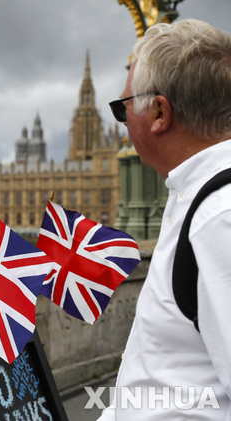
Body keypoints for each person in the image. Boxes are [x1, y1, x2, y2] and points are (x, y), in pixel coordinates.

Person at [99, 19, 231, 419]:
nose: (121, 125)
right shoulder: (193, 200)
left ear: (159, 112)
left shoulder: (218, 220)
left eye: (122, 109)